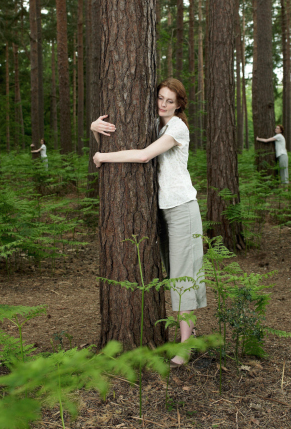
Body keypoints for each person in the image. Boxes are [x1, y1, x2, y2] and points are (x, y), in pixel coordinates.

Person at [91, 78, 206, 367]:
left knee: (182, 279)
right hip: (163, 211)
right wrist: (94, 130)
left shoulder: (177, 127)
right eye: (160, 98)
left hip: (182, 209)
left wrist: (102, 156)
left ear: (179, 104)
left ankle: (185, 347)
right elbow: (123, 141)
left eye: (170, 100)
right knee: (173, 274)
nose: (163, 104)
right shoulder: (157, 126)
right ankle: (188, 334)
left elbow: (142, 156)